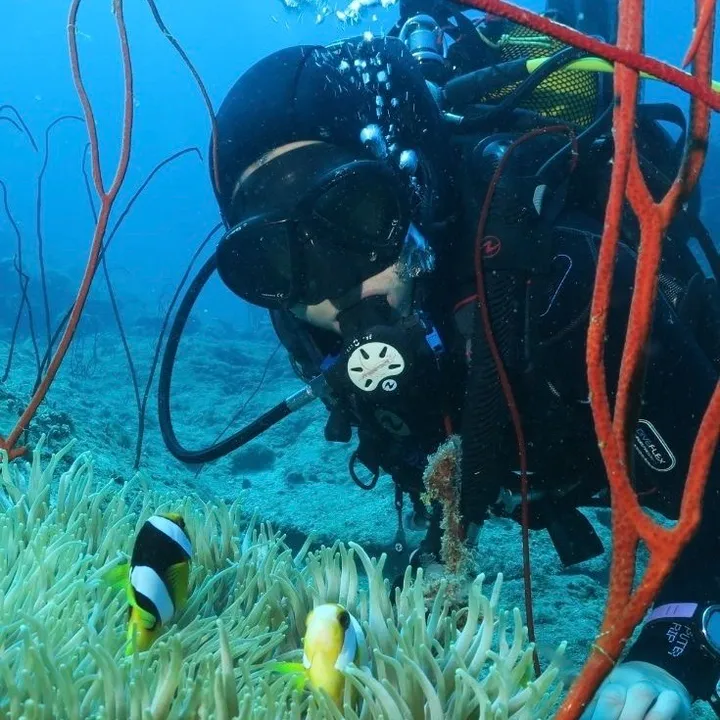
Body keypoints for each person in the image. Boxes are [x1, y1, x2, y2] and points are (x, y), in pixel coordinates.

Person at [160, 0, 720, 716]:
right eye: (278, 256)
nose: (334, 287)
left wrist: (673, 653)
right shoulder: (308, 329)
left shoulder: (562, 289)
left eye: (355, 217)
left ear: (412, 190)